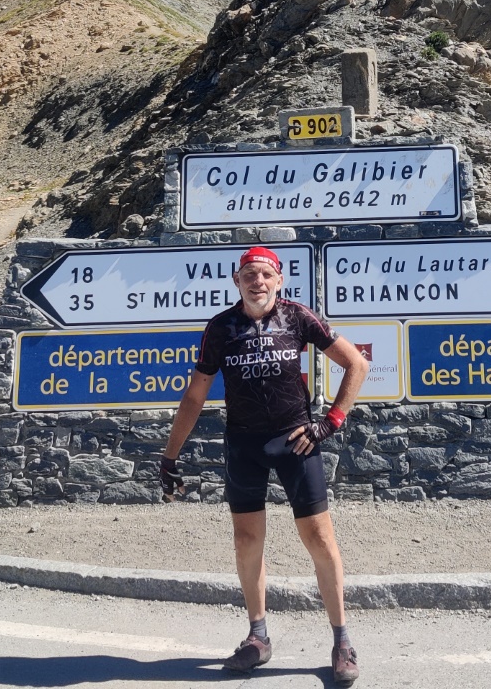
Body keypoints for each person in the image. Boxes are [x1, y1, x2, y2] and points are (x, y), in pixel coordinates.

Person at [159, 246, 370, 685]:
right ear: (236, 281)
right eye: (248, 274)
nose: (257, 281)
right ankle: (258, 638)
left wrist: (329, 423)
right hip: (244, 444)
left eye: (265, 274)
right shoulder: (221, 328)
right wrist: (170, 455)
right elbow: (195, 396)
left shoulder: (297, 317)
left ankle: (342, 641)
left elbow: (357, 364)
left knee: (318, 537)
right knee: (246, 539)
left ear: (279, 280)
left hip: (295, 440)